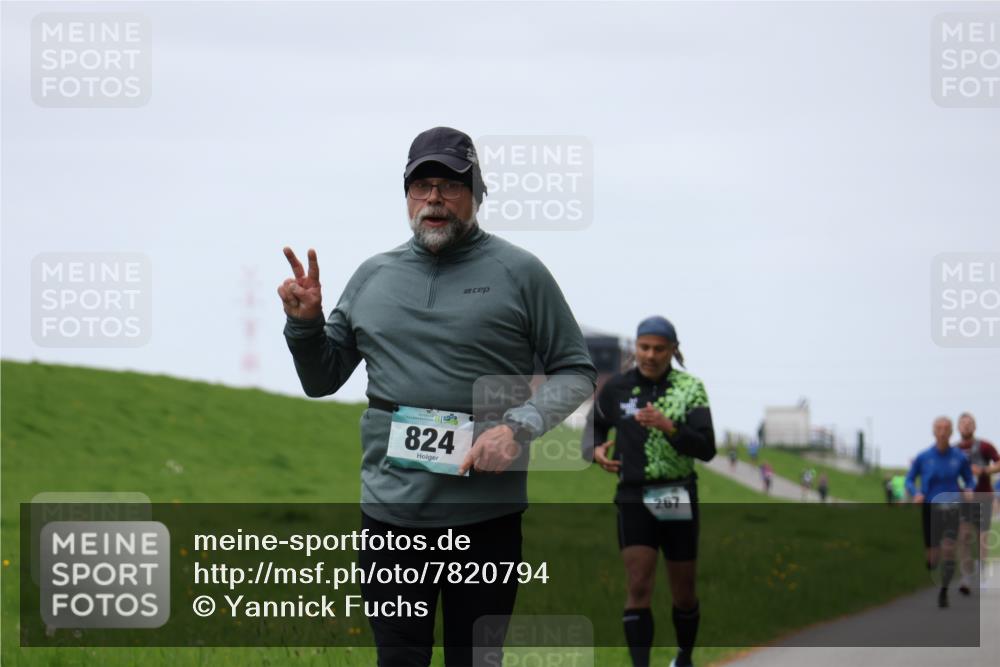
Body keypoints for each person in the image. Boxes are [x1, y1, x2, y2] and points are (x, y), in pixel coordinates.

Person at [279, 126, 597, 666]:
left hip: (485, 519)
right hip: (391, 515)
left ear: (476, 194)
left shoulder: (520, 273)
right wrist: (306, 326)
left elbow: (576, 370)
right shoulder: (372, 276)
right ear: (406, 196)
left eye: (449, 186)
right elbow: (322, 380)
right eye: (421, 185)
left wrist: (517, 427)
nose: (433, 198)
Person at [588, 316, 715, 667]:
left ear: (673, 351)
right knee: (639, 584)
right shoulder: (616, 388)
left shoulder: (690, 389)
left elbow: (707, 448)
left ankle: (684, 658)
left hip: (676, 493)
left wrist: (670, 426)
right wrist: (596, 449)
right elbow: (595, 427)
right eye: (644, 347)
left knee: (683, 591)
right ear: (635, 349)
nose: (651, 355)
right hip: (633, 496)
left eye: (659, 349)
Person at [905, 416, 975, 608]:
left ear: (951, 432)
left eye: (946, 429)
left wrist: (969, 489)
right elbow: (909, 479)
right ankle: (932, 563)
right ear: (934, 432)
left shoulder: (959, 457)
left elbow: (969, 479)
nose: (943, 432)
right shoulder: (924, 457)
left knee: (949, 549)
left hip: (952, 506)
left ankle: (944, 591)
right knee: (933, 558)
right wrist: (916, 493)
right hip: (930, 507)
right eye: (939, 428)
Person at [954, 412, 1000, 593]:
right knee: (963, 537)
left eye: (969, 423)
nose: (966, 426)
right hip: (963, 499)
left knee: (982, 538)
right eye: (963, 423)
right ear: (958, 427)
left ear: (975, 427)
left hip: (983, 497)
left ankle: (982, 573)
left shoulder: (985, 446)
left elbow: (998, 463)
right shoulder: (953, 449)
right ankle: (966, 576)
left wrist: (983, 470)